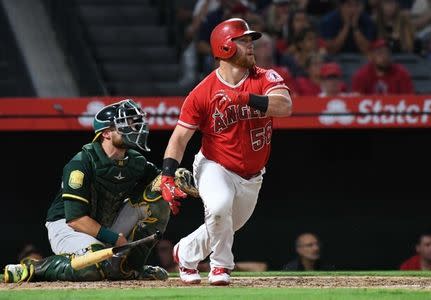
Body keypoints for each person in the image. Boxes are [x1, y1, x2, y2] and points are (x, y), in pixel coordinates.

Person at [3, 99, 197, 283]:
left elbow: (160, 182)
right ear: (106, 133)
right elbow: (76, 219)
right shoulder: (81, 163)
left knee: (159, 194)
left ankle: (130, 268)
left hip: (105, 223)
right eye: (125, 124)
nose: (134, 128)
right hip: (67, 226)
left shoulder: (136, 162)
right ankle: (34, 268)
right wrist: (114, 238)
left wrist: (174, 176)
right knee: (95, 267)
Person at [160, 18, 292, 285]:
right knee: (219, 208)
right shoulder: (202, 93)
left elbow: (285, 106)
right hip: (214, 164)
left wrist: (245, 98)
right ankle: (220, 267)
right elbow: (180, 138)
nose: (251, 46)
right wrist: (167, 176)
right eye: (243, 41)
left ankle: (185, 252)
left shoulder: (265, 77)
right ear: (225, 47)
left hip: (252, 175)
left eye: (250, 41)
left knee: (225, 224)